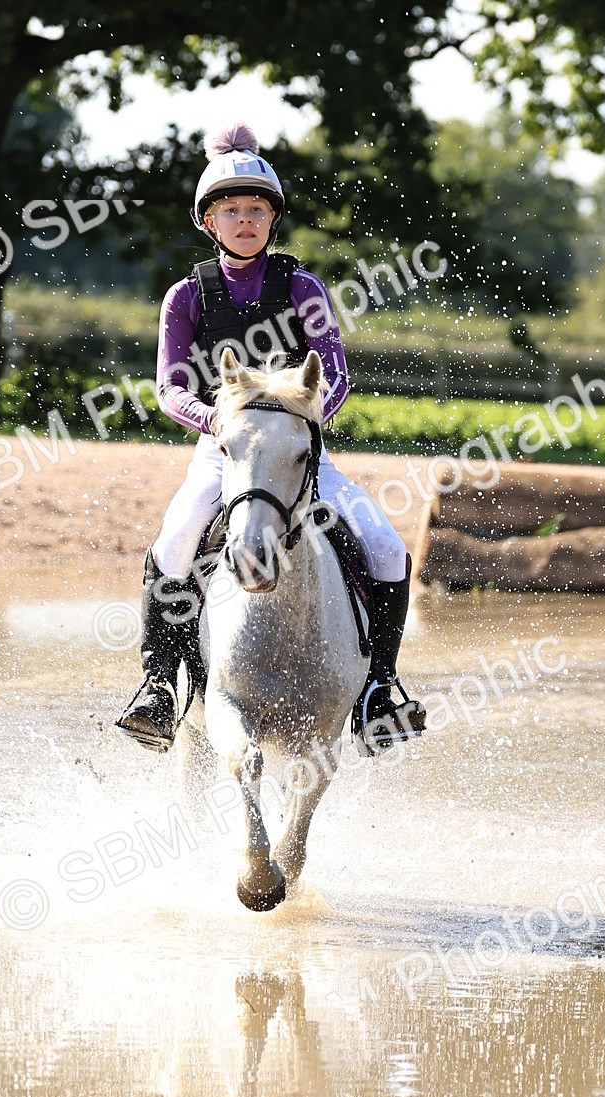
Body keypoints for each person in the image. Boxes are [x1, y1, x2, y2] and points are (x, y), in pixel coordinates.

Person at [117, 122, 426, 753]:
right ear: (209, 221)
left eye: (256, 209)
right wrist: (222, 423)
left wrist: (307, 418)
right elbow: (170, 389)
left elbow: (334, 373)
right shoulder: (185, 297)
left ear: (272, 219)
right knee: (175, 541)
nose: (245, 220)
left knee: (387, 548)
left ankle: (380, 688)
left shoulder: (304, 287)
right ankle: (157, 685)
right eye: (230, 210)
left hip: (298, 449)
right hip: (224, 451)